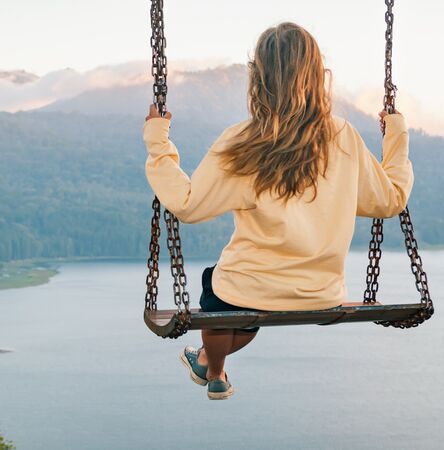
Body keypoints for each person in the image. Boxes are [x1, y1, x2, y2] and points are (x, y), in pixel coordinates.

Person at [142, 22, 412, 400]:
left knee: (220, 298)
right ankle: (210, 366)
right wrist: (396, 136)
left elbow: (188, 205)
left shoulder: (243, 141)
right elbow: (389, 200)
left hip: (248, 291)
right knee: (241, 307)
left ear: (259, 78)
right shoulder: (343, 137)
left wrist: (158, 142)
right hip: (320, 292)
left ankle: (212, 366)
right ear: (318, 76)